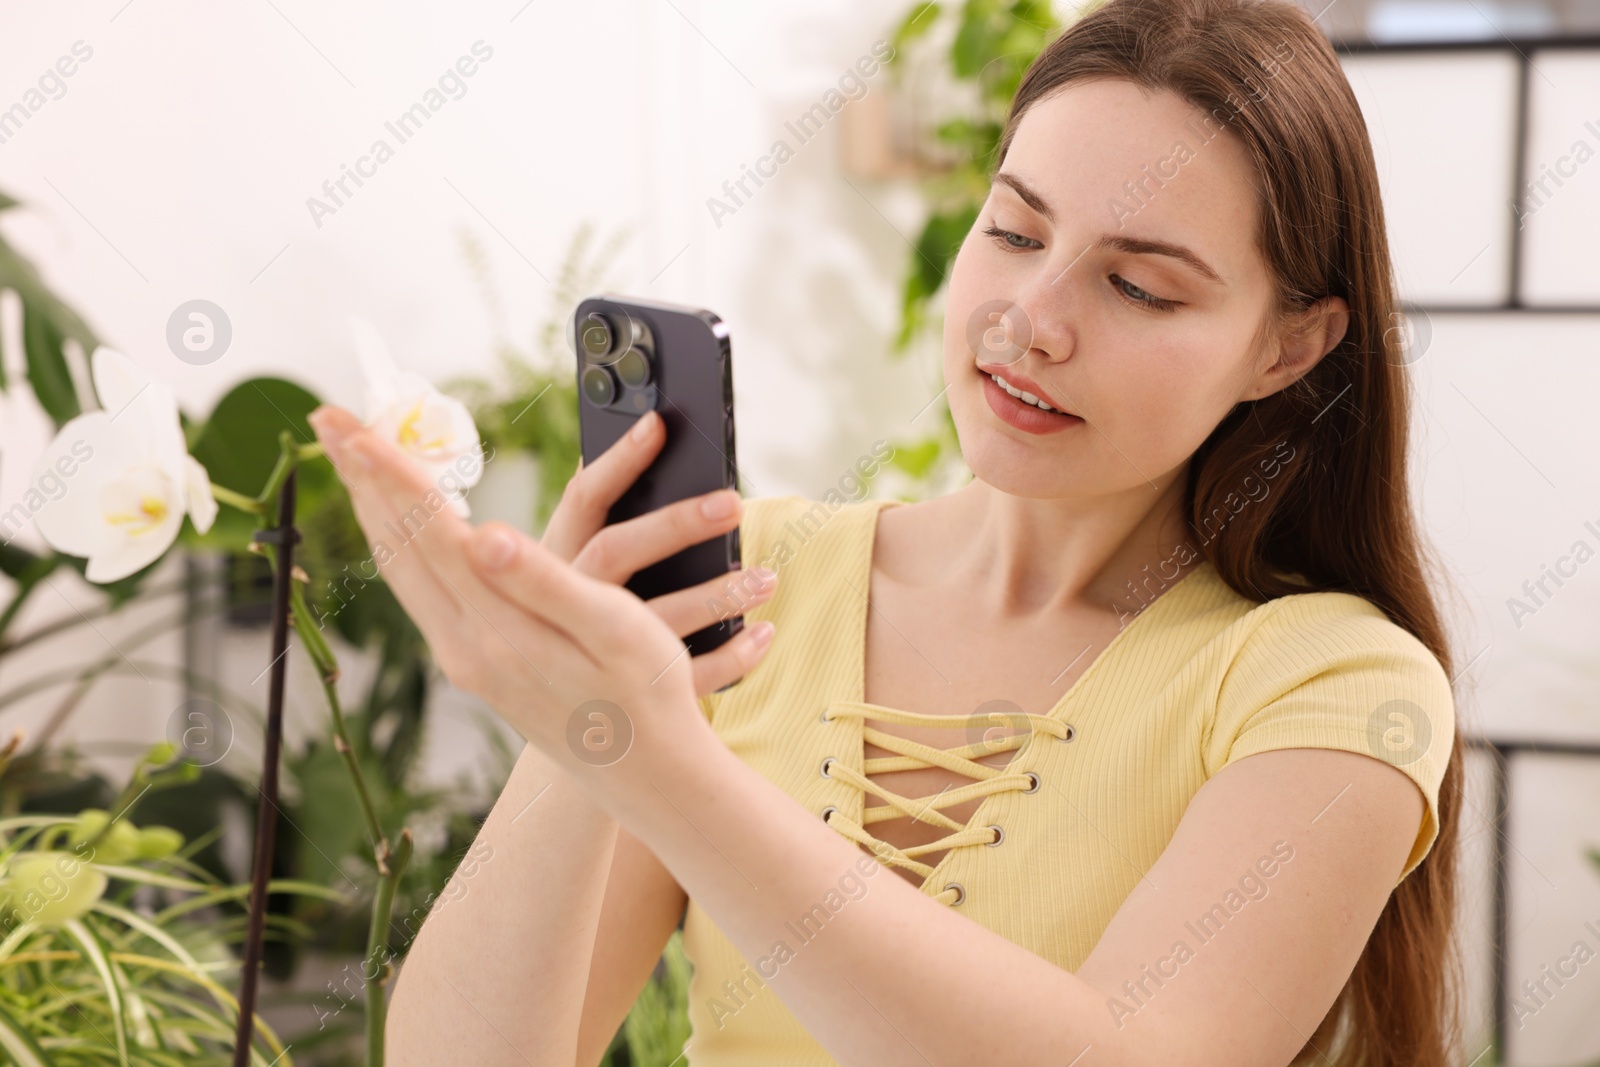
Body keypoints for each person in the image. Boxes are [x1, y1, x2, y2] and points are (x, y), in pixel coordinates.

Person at [309, 0, 1463, 1063]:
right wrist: (571, 733)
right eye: (1014, 231)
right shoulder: (742, 585)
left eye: (1141, 289)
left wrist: (653, 756)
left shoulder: (1332, 682)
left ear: (1288, 346)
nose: (1031, 319)